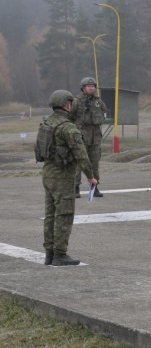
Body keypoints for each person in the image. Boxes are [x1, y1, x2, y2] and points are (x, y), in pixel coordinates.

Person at [36, 90, 98, 266]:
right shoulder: (68, 127)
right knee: (64, 214)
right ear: (66, 105)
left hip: (48, 173)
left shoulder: (46, 123)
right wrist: (91, 176)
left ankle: (49, 253)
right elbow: (82, 155)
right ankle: (60, 254)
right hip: (62, 176)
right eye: (70, 103)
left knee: (50, 214)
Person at [69, 77, 106, 198]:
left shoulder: (98, 101)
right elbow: (69, 117)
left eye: (93, 86)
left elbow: (103, 114)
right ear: (83, 88)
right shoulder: (76, 101)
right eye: (89, 86)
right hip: (81, 136)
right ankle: (75, 188)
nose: (91, 88)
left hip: (95, 136)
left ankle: (94, 188)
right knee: (79, 162)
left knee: (94, 163)